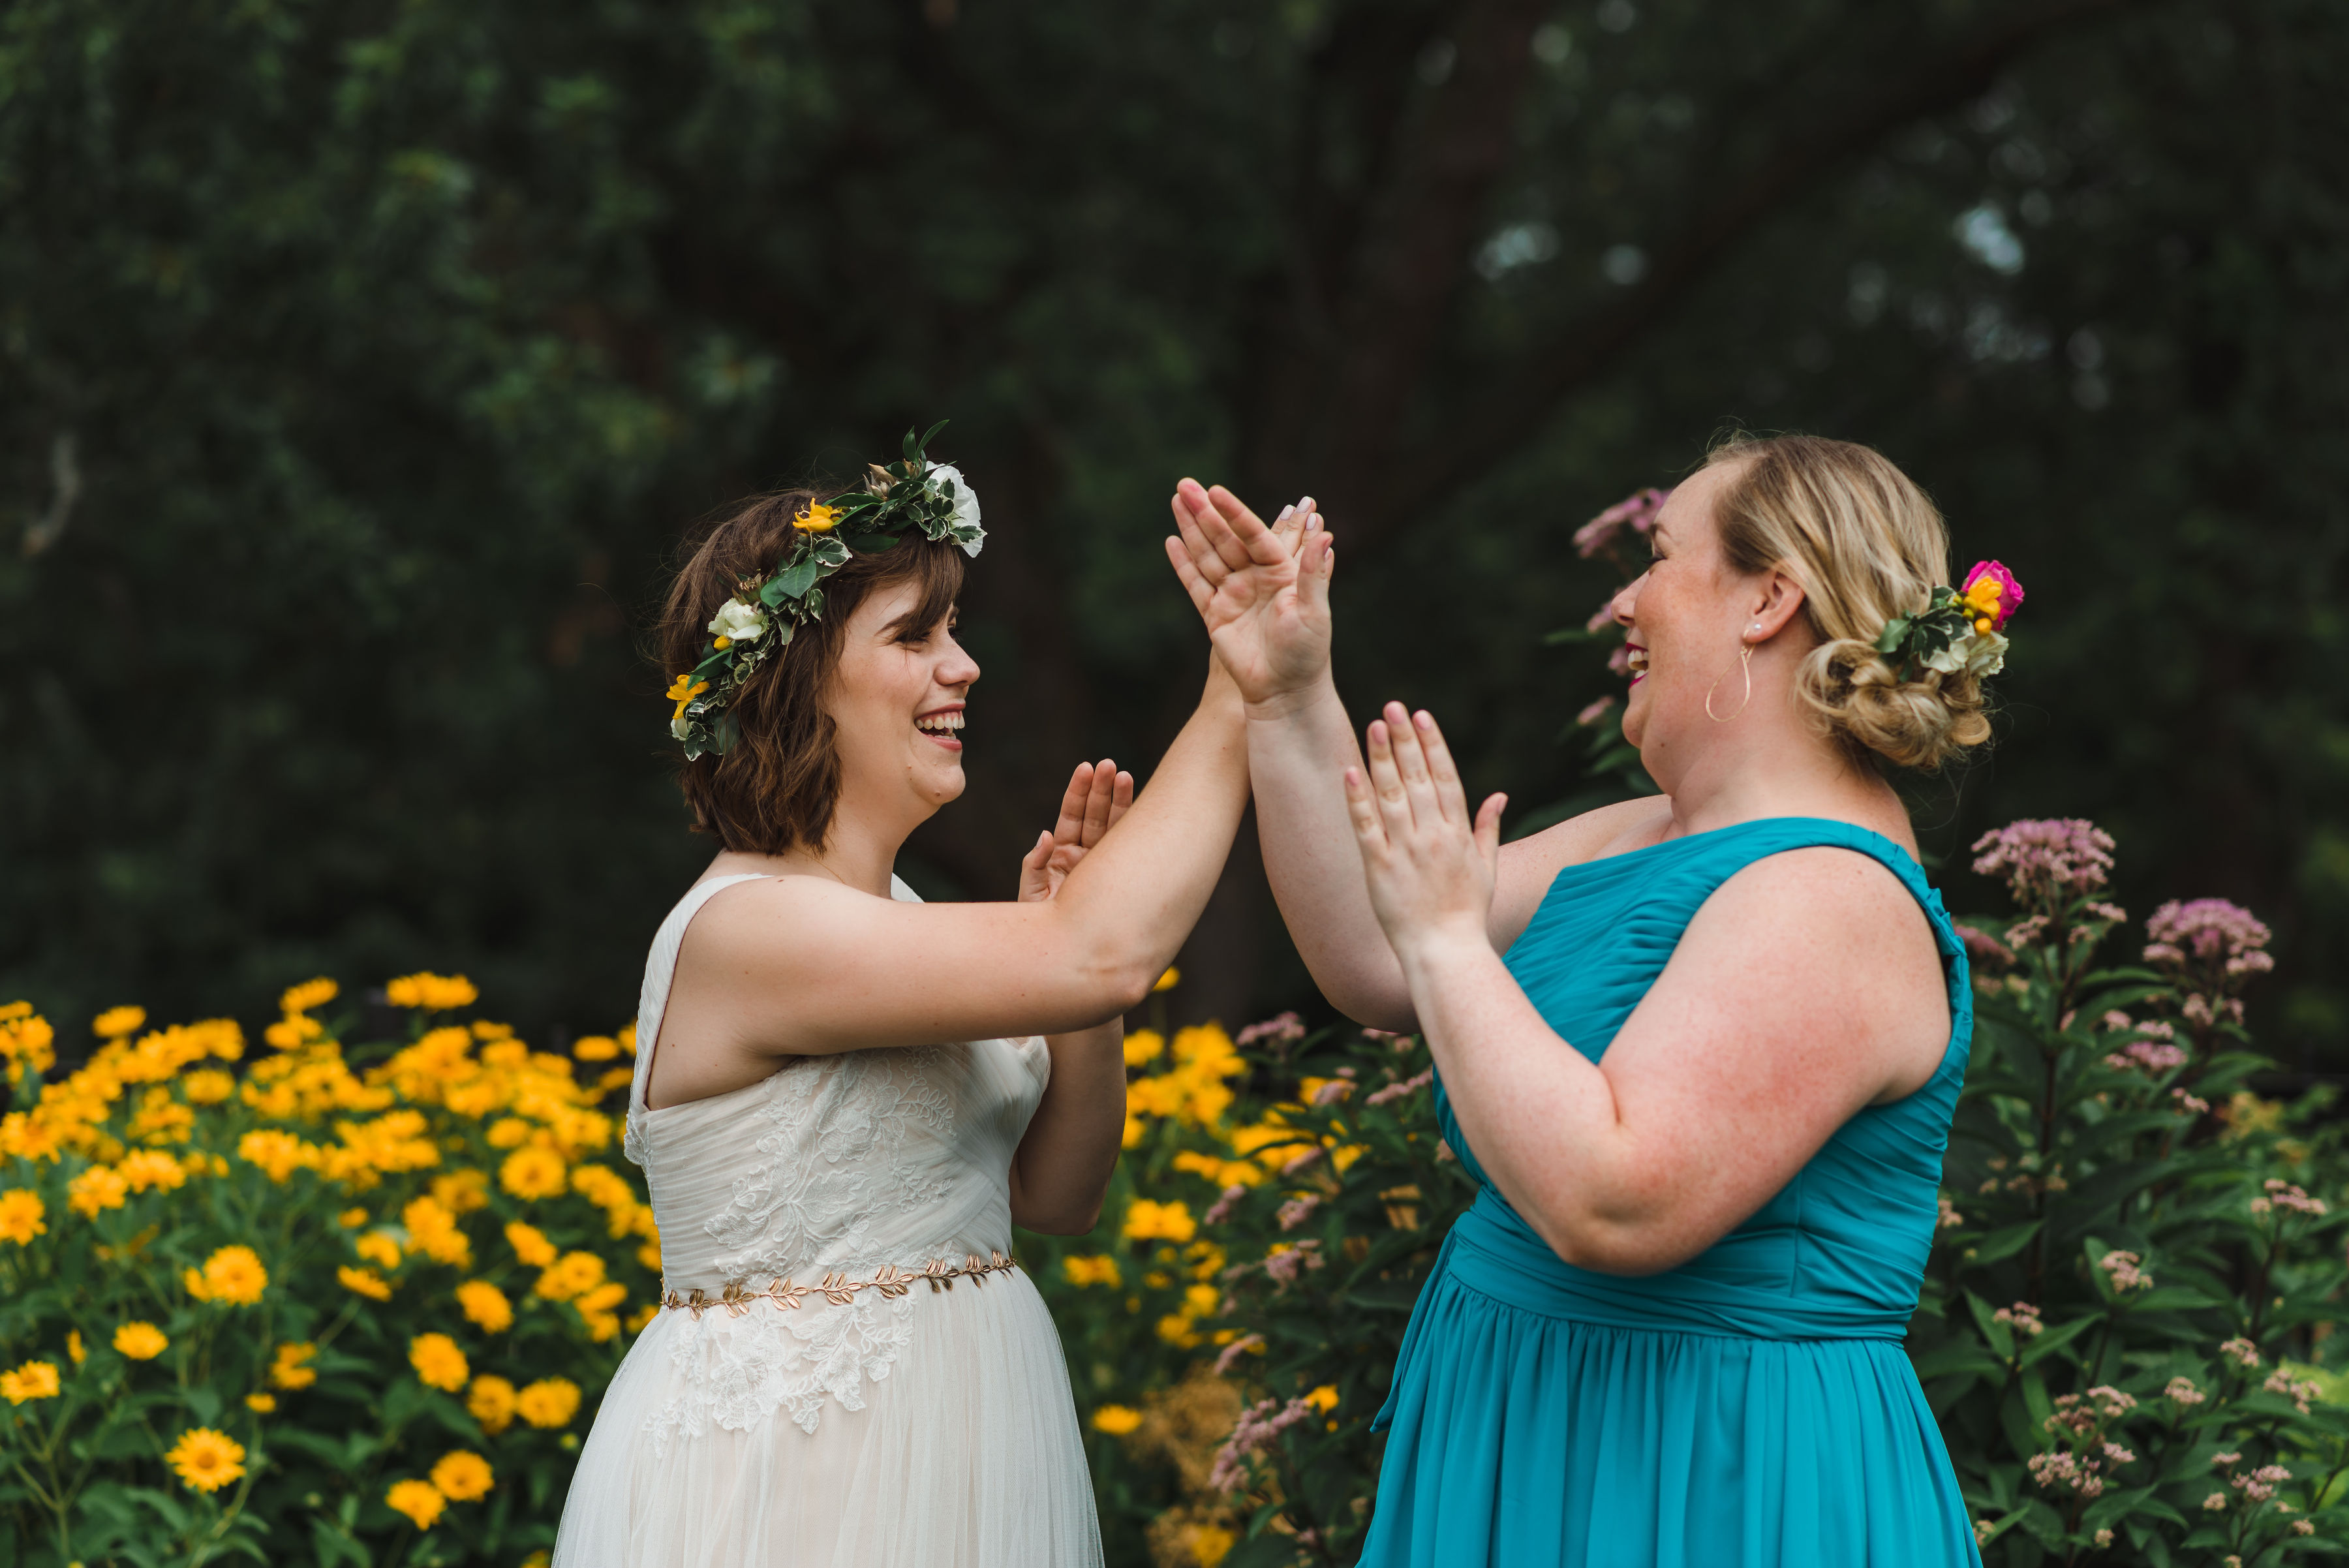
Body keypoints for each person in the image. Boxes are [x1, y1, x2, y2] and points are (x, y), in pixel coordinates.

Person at [1165, 435, 2016, 1566]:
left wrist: (1446, 935)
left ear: (1770, 598)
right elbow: (1379, 958)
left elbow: (1615, 1203)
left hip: (1709, 1469)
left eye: (1661, 558)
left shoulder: (1831, 900)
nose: (1625, 601)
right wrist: (1285, 695)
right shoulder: (1646, 833)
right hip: (1525, 1418)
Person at [554, 435, 1288, 1567]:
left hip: (962, 1452)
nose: (966, 667)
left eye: (952, 632)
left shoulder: (896, 914)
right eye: (914, 637)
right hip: (797, 1479)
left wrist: (1069, 993)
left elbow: (1059, 1192)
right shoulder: (750, 929)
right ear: (800, 680)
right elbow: (1108, 955)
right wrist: (1244, 692)